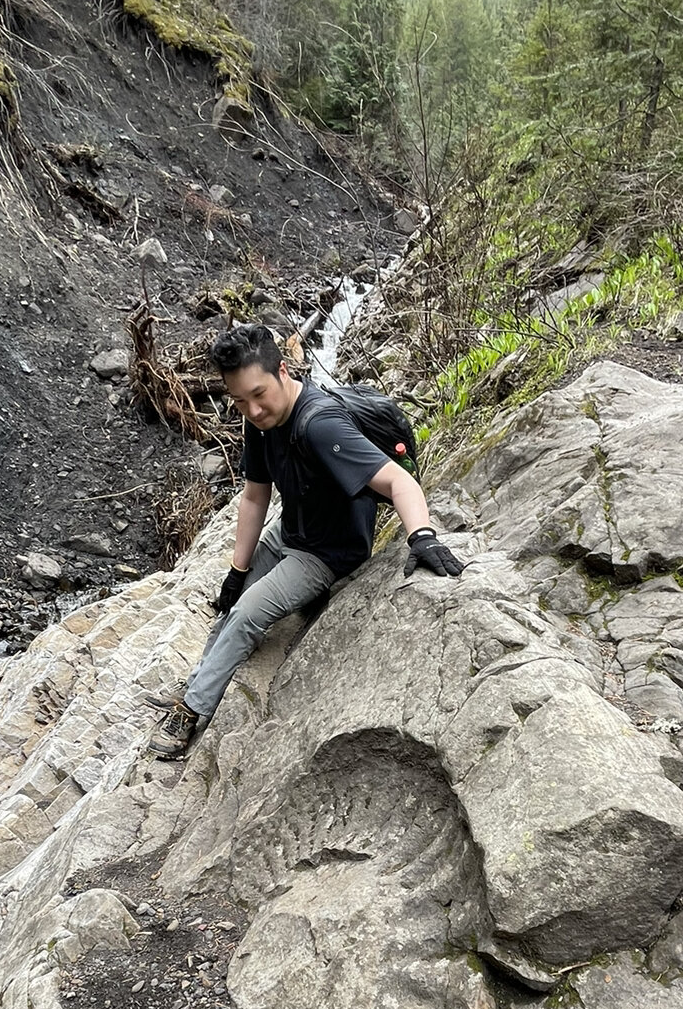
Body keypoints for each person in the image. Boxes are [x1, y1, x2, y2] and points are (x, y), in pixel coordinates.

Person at [150, 322, 464, 756]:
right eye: (240, 401)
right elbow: (255, 497)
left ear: (283, 371)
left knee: (245, 615)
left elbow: (398, 483)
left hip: (327, 551)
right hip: (291, 529)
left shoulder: (320, 425)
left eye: (259, 395)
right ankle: (199, 682)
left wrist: (423, 537)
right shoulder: (258, 423)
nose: (253, 410)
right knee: (230, 603)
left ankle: (191, 709)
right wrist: (237, 571)